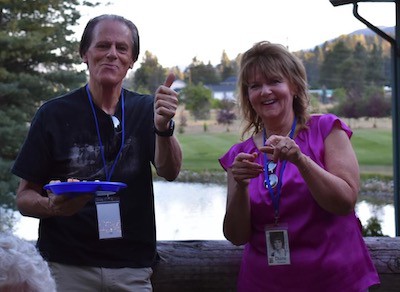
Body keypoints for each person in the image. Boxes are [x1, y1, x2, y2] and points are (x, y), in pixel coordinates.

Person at [11, 14, 182, 291]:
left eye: (122, 48)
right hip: (65, 268)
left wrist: (163, 128)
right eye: (103, 46)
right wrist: (51, 206)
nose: (112, 54)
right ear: (84, 54)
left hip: (132, 268)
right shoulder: (53, 114)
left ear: (131, 60)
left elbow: (170, 171)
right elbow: (24, 198)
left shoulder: (146, 109)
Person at [219, 41, 380, 291]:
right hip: (264, 284)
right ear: (247, 96)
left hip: (335, 281)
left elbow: (345, 201)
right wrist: (239, 186)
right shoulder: (240, 156)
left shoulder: (326, 130)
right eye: (255, 86)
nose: (265, 91)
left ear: (293, 86)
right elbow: (237, 236)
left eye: (274, 81)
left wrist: (300, 160)